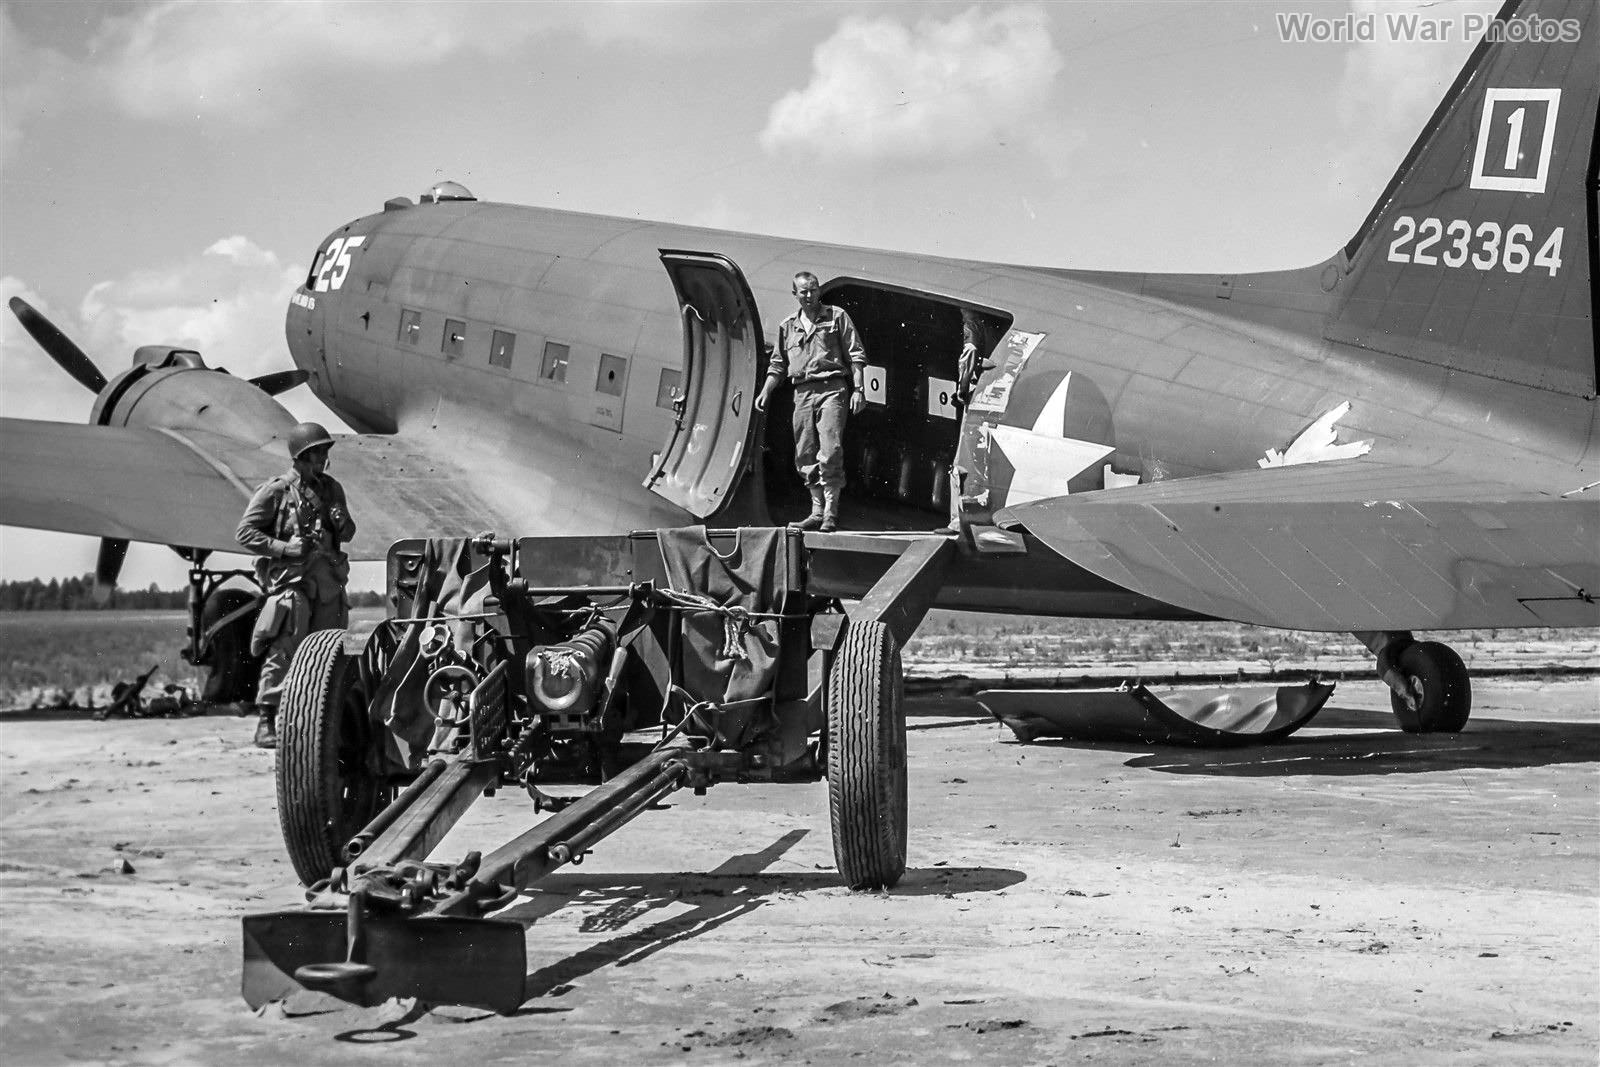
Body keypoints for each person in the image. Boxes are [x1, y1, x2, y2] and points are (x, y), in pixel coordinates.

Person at [235, 422, 356, 748]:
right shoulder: (275, 491)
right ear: (302, 457)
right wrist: (284, 549)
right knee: (285, 648)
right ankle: (268, 719)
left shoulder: (333, 490)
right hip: (293, 583)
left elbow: (347, 534)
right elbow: (245, 533)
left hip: (328, 583)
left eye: (324, 455)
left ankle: (322, 724)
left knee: (329, 652)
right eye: (317, 454)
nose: (323, 461)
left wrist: (342, 522)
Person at [755, 271, 867, 532]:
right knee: (804, 452)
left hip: (832, 389)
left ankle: (830, 512)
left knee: (831, 448)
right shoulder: (787, 327)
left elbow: (855, 354)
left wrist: (858, 389)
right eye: (803, 291)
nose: (809, 295)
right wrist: (765, 391)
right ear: (795, 294)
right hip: (802, 393)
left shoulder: (837, 317)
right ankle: (816, 511)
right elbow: (777, 366)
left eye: (813, 289)